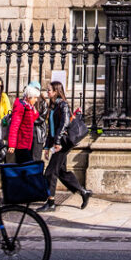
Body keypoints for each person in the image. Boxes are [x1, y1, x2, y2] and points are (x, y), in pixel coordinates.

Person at [38, 81, 91, 212]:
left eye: (49, 90)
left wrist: (57, 143)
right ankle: (83, 192)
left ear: (56, 91)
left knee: (50, 172)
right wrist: (46, 147)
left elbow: (64, 124)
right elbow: (52, 128)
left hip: (62, 143)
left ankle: (50, 202)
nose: (47, 92)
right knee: (61, 172)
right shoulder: (53, 106)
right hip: (57, 142)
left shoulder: (63, 105)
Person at [7, 82, 40, 164]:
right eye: (35, 98)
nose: (36, 100)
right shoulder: (21, 107)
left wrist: (34, 112)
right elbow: (14, 126)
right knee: (26, 166)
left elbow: (30, 121)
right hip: (21, 143)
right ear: (29, 97)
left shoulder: (29, 106)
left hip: (27, 143)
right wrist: (12, 144)